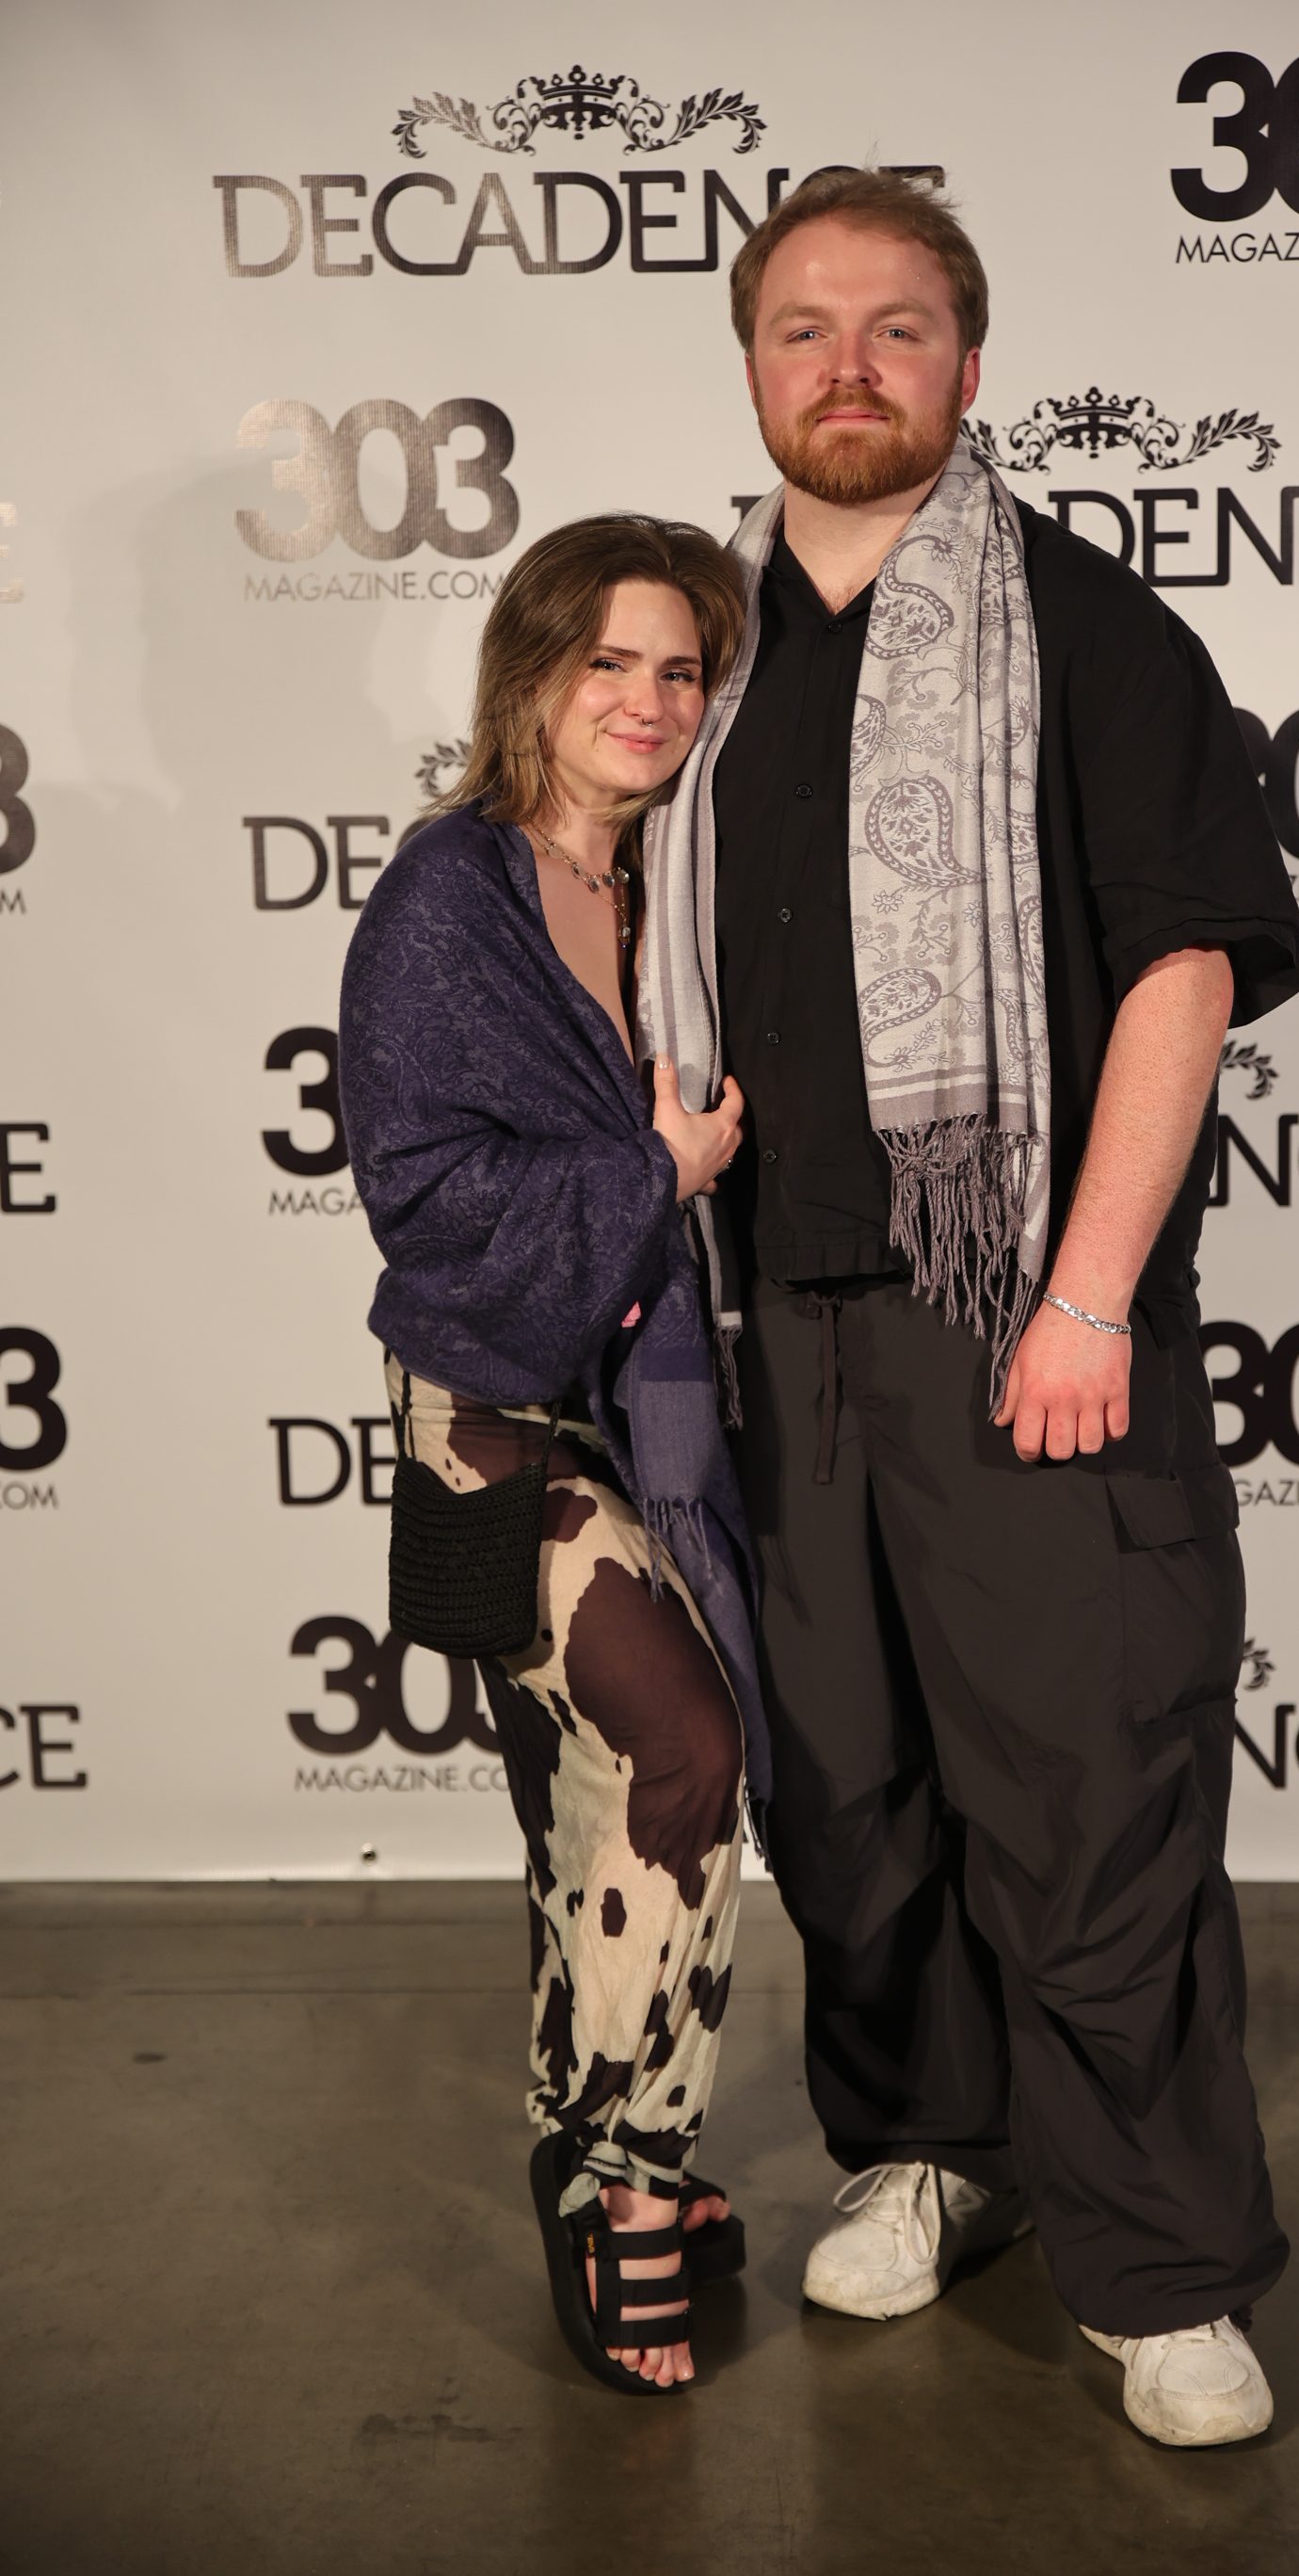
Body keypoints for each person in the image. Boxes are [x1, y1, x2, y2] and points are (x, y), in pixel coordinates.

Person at [637, 170, 1299, 2448]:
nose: (849, 366)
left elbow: (1187, 968)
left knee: (1087, 1796)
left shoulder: (1088, 632)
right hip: (765, 1322)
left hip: (1018, 1306)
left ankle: (1164, 2270)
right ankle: (938, 2147)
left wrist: (1089, 1294)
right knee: (849, 1795)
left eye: (897, 327)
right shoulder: (689, 654)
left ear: (968, 364)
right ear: (753, 367)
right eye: (803, 328)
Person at [339, 515, 765, 2396]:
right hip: (496, 1414)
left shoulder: (683, 885)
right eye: (611, 661)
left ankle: (600, 2127)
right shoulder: (452, 896)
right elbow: (422, 1199)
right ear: (532, 673)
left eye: (682, 668)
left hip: (668, 1399)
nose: (649, 701)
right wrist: (649, 1172)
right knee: (680, 1746)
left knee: (597, 1797)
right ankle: (621, 2181)